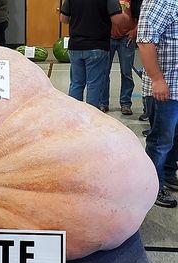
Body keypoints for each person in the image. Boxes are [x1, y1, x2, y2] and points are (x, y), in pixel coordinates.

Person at [137, 0, 178, 208]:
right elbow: (145, 41)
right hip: (165, 89)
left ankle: (168, 174)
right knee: (161, 142)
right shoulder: (158, 2)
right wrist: (157, 80)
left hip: (176, 88)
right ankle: (153, 187)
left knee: (174, 139)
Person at [60, 0, 129, 108]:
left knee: (76, 84)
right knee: (94, 85)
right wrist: (126, 16)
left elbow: (63, 19)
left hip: (75, 46)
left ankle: (73, 117)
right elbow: (117, 20)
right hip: (97, 46)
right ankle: (90, 119)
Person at [99, 0, 141, 115]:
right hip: (108, 37)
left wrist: (134, 32)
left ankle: (126, 103)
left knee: (126, 72)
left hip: (127, 38)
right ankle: (103, 103)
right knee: (104, 72)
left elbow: (142, 16)